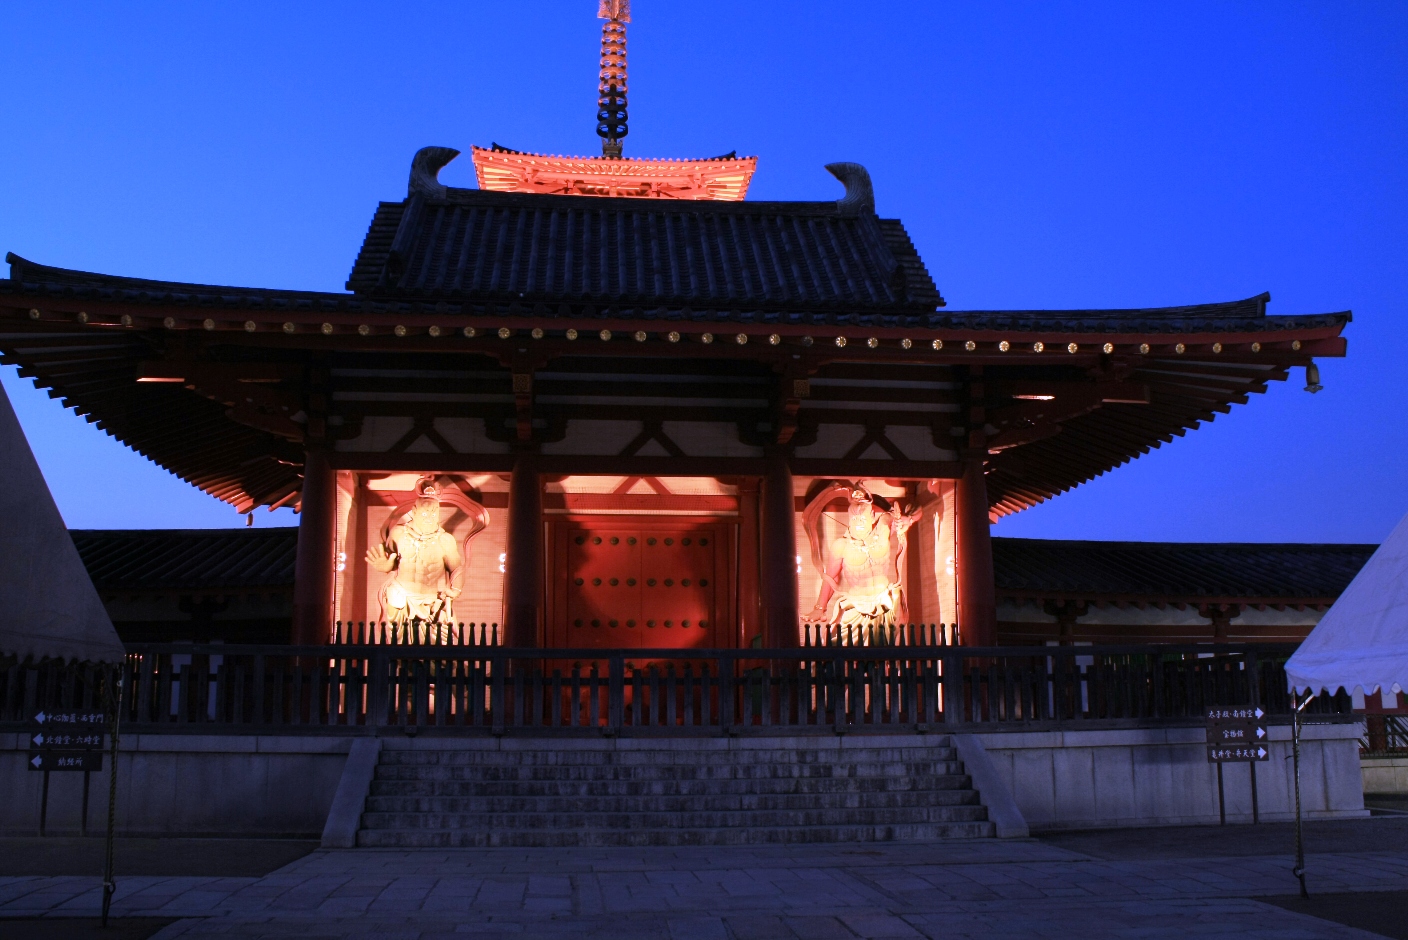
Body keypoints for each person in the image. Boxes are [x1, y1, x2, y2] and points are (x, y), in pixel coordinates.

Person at [806, 486, 918, 630]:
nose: (859, 522)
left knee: (884, 647)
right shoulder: (841, 546)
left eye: (862, 517)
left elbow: (915, 511)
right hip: (856, 606)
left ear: (872, 515)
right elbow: (830, 577)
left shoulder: (883, 527)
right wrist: (820, 608)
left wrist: (907, 520)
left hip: (885, 602)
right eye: (854, 517)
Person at [366, 481, 464, 629]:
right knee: (397, 643)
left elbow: (457, 569)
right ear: (414, 511)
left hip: (432, 601)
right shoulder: (398, 533)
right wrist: (386, 566)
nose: (429, 517)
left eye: (434, 513)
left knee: (434, 646)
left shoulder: (445, 540)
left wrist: (456, 589)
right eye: (424, 513)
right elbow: (390, 558)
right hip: (401, 596)